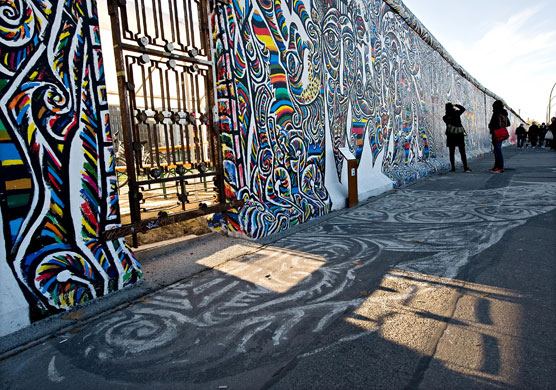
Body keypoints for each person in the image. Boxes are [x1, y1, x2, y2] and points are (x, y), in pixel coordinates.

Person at [443, 103, 471, 172]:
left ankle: (453, 168)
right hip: (459, 135)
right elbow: (463, 109)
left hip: (451, 135)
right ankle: (465, 167)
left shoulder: (445, 117)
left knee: (451, 152)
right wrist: (455, 105)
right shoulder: (457, 113)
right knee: (462, 152)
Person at [488, 100, 510, 173]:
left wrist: (491, 126)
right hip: (500, 133)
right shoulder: (504, 113)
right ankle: (496, 167)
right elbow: (508, 123)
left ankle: (500, 167)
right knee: (497, 150)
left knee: (497, 150)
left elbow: (493, 123)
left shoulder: (496, 112)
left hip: (496, 132)